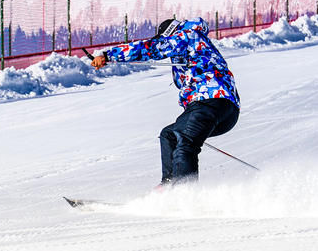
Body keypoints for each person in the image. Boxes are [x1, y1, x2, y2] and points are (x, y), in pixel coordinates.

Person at [91, 17, 240, 187]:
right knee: (169, 135)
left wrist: (108, 55)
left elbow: (152, 49)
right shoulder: (195, 46)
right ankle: (168, 186)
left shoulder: (187, 35)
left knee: (184, 142)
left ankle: (185, 194)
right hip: (222, 109)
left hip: (210, 100)